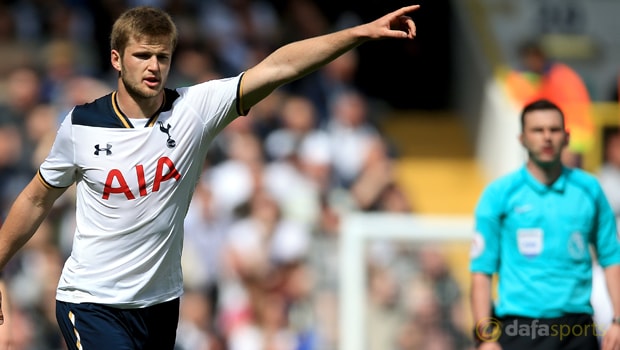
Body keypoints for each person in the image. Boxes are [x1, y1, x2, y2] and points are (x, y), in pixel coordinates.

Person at [0, 4, 420, 350]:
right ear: (116, 59)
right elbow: (37, 198)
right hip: (90, 302)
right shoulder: (81, 125)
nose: (153, 66)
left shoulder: (195, 109)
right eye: (142, 55)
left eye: (162, 56)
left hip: (159, 305)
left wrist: (357, 34)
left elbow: (279, 67)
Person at [469, 99, 620, 350]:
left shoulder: (589, 190)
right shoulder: (499, 194)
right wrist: (484, 338)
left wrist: (618, 319)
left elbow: (612, 258)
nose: (547, 137)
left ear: (567, 137)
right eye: (538, 130)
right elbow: (481, 273)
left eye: (554, 129)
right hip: (520, 327)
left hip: (577, 329)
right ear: (522, 139)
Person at [504, 40, 595, 168]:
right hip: (570, 135)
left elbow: (573, 113)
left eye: (533, 58)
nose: (531, 63)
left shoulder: (558, 77)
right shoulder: (553, 75)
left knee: (565, 178)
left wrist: (568, 142)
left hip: (573, 136)